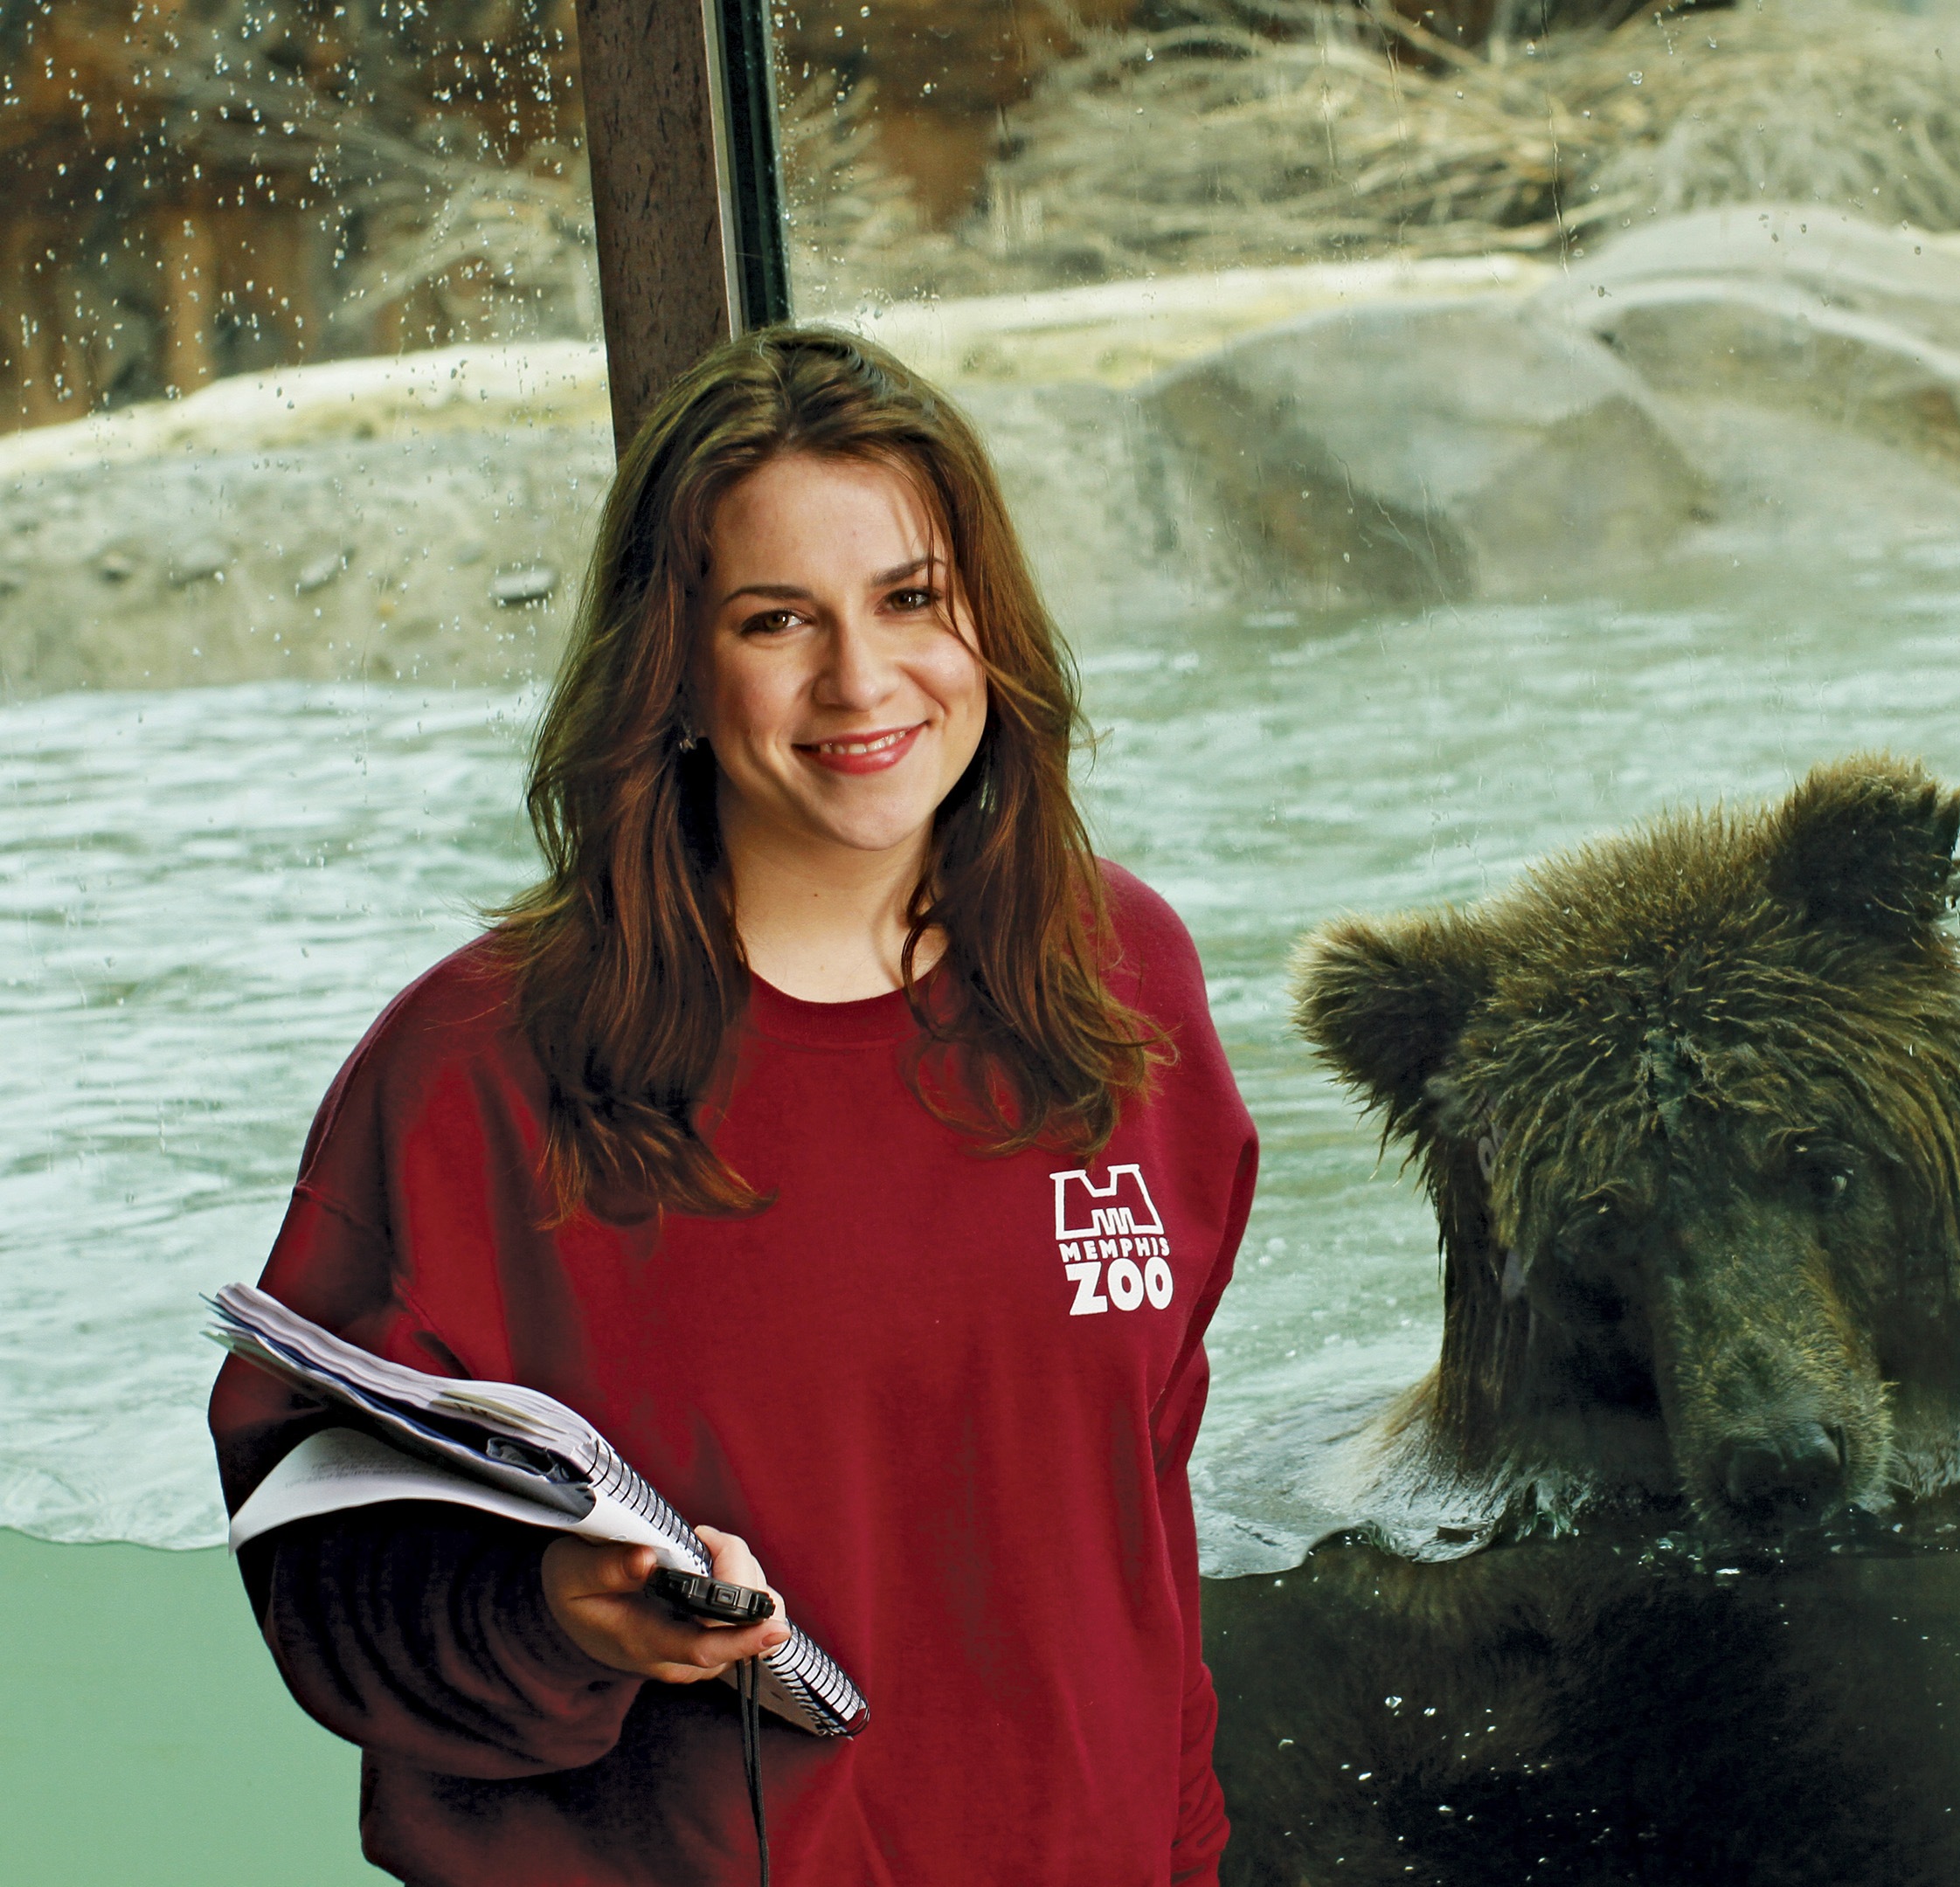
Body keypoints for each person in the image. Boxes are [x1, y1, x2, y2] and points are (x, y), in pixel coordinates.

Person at [207, 326, 1257, 1886]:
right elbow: (312, 1563)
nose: (862, 679)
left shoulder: (1128, 984)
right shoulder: (474, 1070)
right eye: (779, 620)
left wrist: (1182, 1854)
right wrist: (554, 1617)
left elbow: (1141, 1517)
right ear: (678, 669)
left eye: (911, 599)